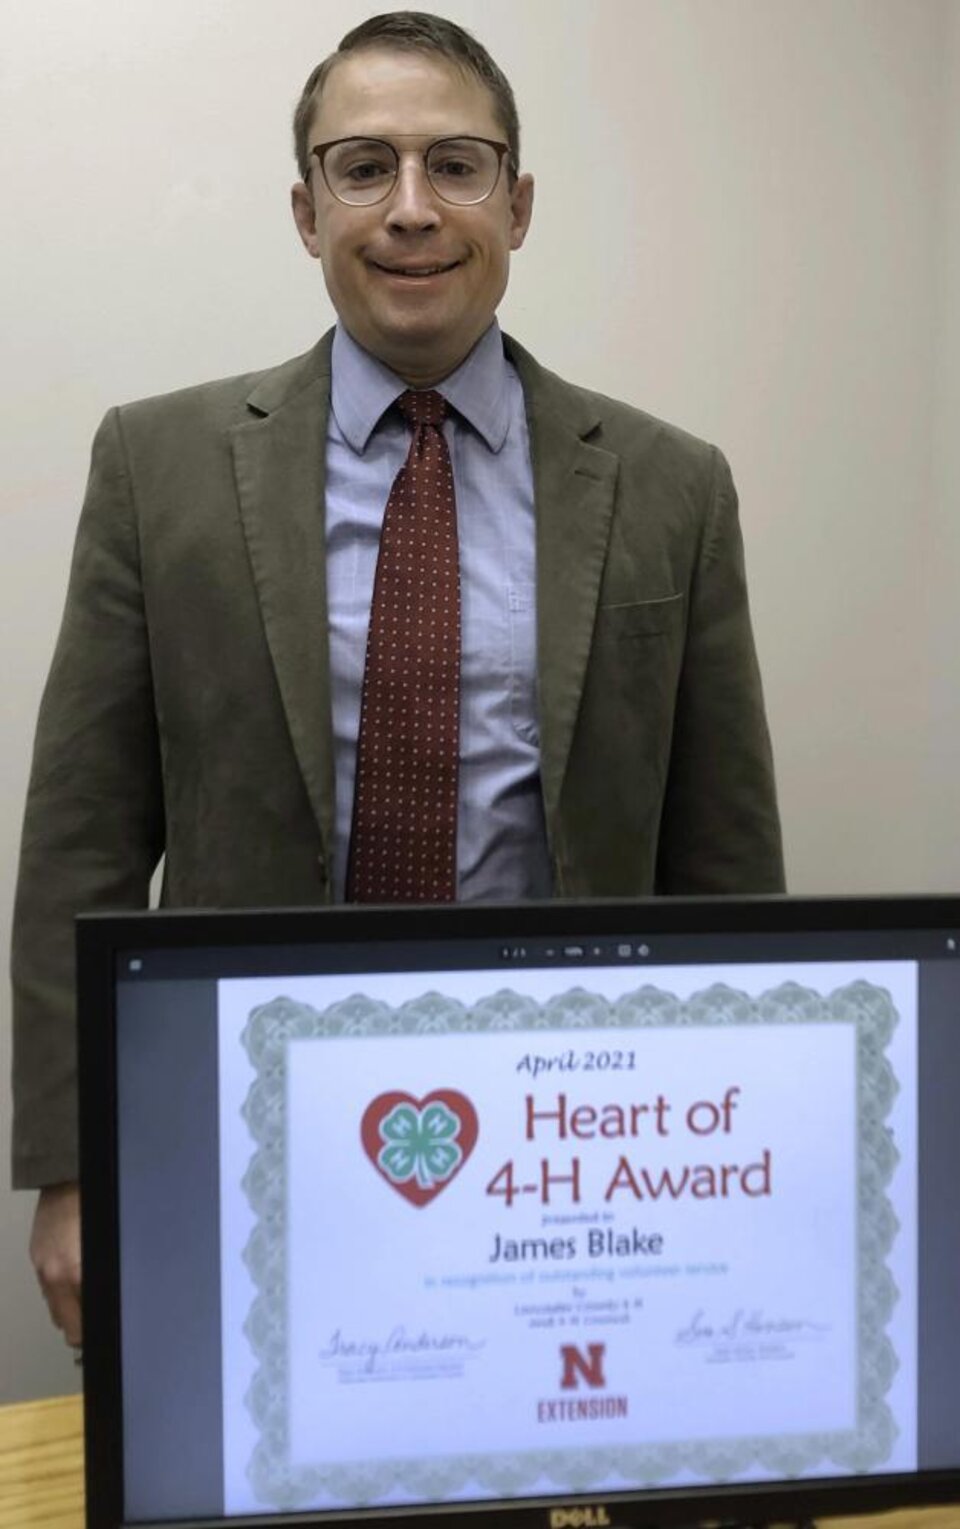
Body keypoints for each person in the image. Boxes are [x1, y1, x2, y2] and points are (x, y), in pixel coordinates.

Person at [11, 11, 784, 1349]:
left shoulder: (672, 485)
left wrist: (746, 1156)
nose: (411, 209)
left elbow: (725, 864)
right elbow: (83, 843)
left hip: (575, 1139)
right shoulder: (160, 466)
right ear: (307, 211)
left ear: (519, 204)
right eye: (363, 166)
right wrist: (74, 1163)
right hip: (242, 1114)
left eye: (457, 165)